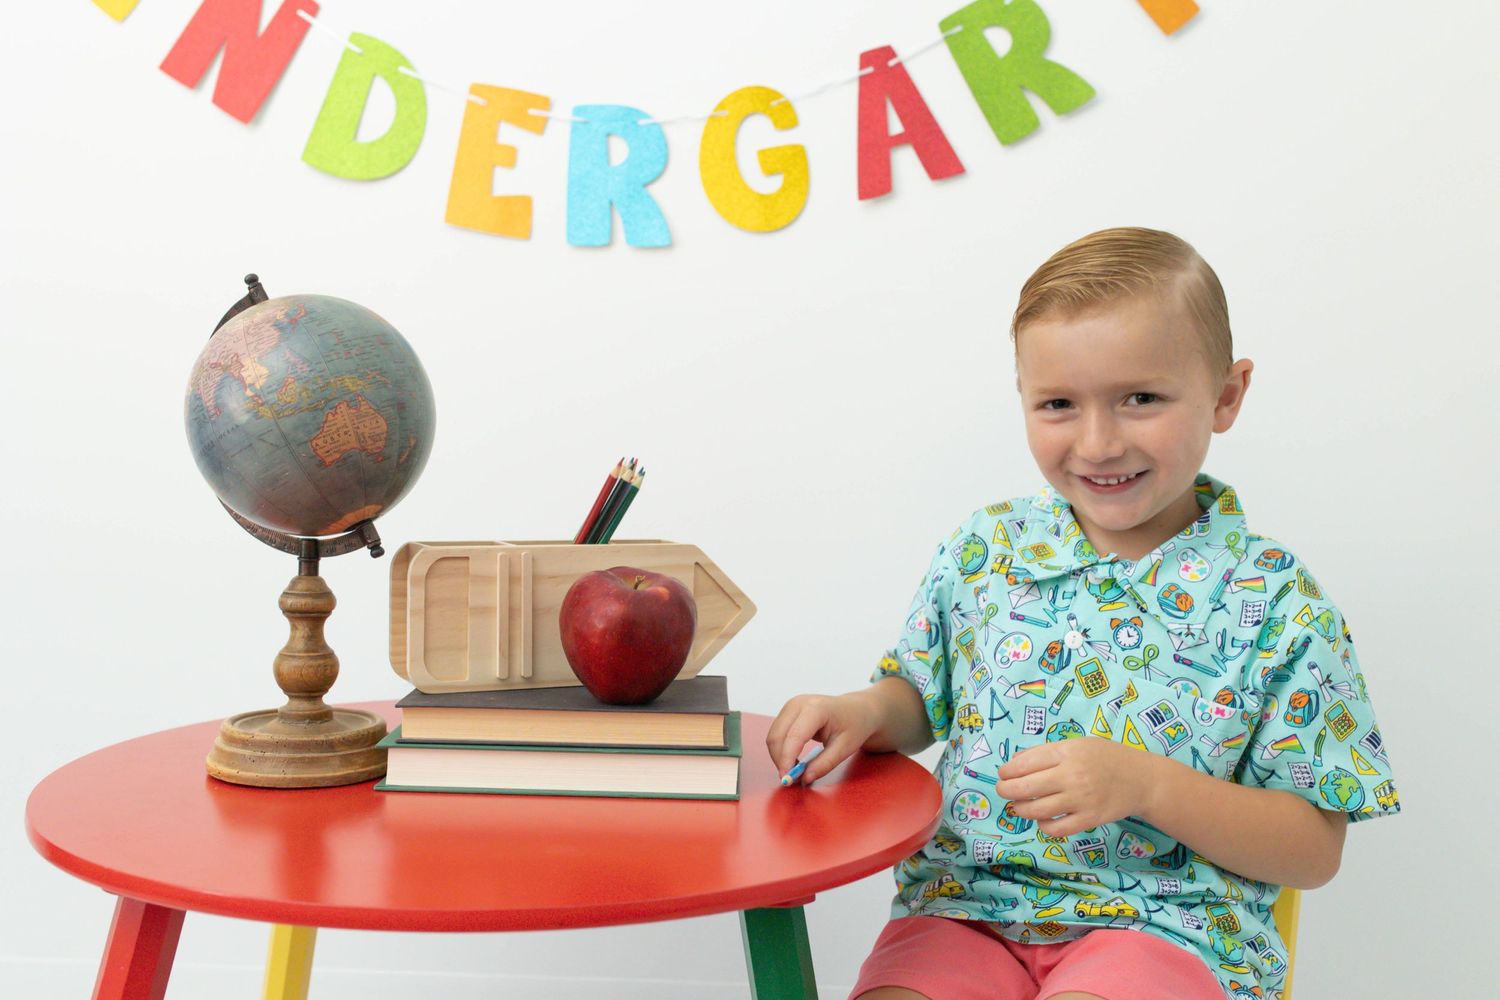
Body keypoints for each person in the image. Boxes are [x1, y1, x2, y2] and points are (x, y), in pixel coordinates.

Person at [767, 227, 1400, 1000]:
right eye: (1059, 404)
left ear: (1226, 396)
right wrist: (863, 711)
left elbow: (1313, 851)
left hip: (1171, 929)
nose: (1098, 443)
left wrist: (1148, 786)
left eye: (1141, 399)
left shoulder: (1279, 604)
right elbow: (919, 698)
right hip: (966, 912)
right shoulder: (986, 550)